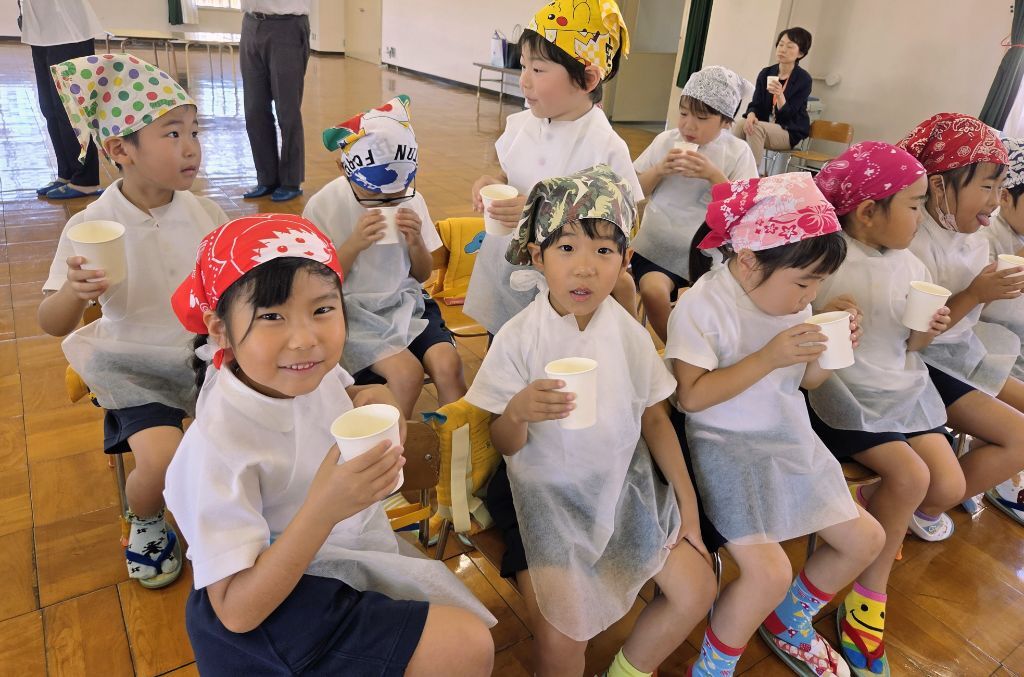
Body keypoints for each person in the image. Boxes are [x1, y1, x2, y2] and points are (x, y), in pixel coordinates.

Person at [164, 214, 495, 676]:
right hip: (273, 613)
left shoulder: (303, 375)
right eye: (272, 316)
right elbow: (236, 612)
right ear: (219, 330)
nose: (305, 340)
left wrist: (373, 396)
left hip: (337, 555)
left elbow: (339, 394)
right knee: (464, 646)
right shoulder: (216, 447)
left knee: (462, 643)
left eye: (322, 310)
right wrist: (325, 508)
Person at [467, 166, 717, 677]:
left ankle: (626, 669)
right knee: (561, 641)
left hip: (620, 484)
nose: (584, 268)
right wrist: (517, 411)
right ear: (537, 256)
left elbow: (655, 420)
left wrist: (687, 509)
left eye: (603, 251)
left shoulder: (626, 332)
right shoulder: (518, 338)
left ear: (625, 260)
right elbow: (505, 443)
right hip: (541, 496)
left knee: (697, 590)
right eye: (566, 248)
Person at [669, 173, 884, 677]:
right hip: (722, 447)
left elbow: (805, 381)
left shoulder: (792, 300)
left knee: (867, 539)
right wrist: (768, 356)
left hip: (786, 438)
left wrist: (833, 350)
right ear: (748, 261)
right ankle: (714, 666)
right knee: (769, 572)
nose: (811, 294)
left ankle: (790, 620)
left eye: (818, 283)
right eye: (805, 282)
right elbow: (691, 397)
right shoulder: (704, 305)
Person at [37, 54, 227, 588]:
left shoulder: (206, 213)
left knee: (251, 432)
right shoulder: (92, 223)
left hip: (204, 355)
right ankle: (144, 518)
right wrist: (75, 293)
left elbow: (231, 285)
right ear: (121, 150)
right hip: (133, 363)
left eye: (194, 131)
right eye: (173, 134)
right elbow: (51, 321)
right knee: (164, 458)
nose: (191, 147)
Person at [808, 142, 967, 676]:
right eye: (915, 205)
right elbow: (798, 327)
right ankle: (867, 599)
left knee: (947, 484)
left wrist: (928, 330)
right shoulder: (828, 260)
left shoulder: (911, 263)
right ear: (868, 212)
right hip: (842, 395)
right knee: (912, 476)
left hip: (896, 389)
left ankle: (879, 504)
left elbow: (910, 345)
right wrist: (825, 313)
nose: (922, 216)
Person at [463, 0, 643, 338]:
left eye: (538, 70)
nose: (524, 81)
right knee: (505, 343)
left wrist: (537, 211)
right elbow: (510, 174)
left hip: (567, 286)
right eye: (523, 66)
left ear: (587, 78)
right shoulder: (521, 125)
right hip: (505, 266)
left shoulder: (605, 147)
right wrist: (492, 182)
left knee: (552, 348)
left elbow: (621, 224)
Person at [897, 113, 1024, 532]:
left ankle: (927, 499)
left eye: (1000, 187)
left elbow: (971, 317)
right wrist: (976, 294)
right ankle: (921, 505)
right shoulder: (911, 238)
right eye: (986, 187)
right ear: (938, 186)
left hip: (960, 352)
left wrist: (989, 292)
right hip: (923, 363)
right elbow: (914, 337)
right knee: (1019, 436)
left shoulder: (972, 237)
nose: (994, 201)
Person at [304, 96, 465, 418]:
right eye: (375, 194)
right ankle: (391, 444)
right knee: (406, 375)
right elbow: (316, 284)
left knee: (449, 364)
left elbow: (421, 276)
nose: (387, 203)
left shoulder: (411, 199)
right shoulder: (324, 206)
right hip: (350, 311)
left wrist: (416, 242)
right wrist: (354, 244)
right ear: (343, 170)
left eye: (396, 195)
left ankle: (459, 444)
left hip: (406, 300)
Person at [631, 65, 758, 342]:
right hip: (657, 245)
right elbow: (634, 192)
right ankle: (676, 350)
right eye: (683, 114)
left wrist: (714, 176)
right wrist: (660, 170)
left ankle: (706, 349)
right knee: (653, 291)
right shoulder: (665, 141)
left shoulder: (737, 152)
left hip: (712, 252)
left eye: (701, 117)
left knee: (721, 300)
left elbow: (744, 210)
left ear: (725, 121)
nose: (688, 125)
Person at [19, 0, 104, 198]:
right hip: (39, 30)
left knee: (70, 110)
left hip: (68, 30)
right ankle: (67, 173)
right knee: (49, 108)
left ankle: (85, 180)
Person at [239, 0, 311, 202]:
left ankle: (291, 181)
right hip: (251, 23)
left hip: (287, 25)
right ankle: (267, 178)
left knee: (287, 111)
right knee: (254, 111)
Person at [733, 27, 813, 169]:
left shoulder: (803, 79)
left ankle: (751, 175)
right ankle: (732, 169)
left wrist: (780, 95)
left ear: (800, 53)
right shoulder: (766, 73)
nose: (783, 50)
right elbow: (756, 103)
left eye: (790, 47)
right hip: (765, 124)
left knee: (755, 128)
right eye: (781, 44)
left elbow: (789, 114)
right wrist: (751, 115)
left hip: (789, 130)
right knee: (741, 125)